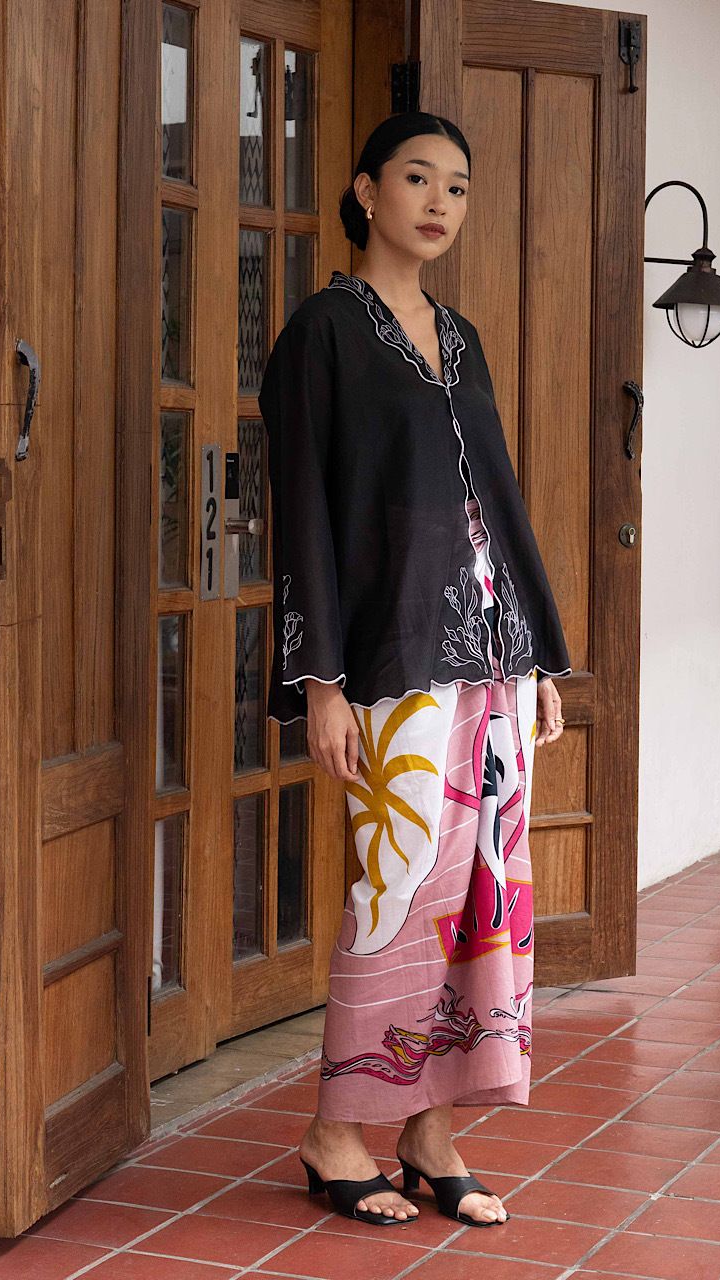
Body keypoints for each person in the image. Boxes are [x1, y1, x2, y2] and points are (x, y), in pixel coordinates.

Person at [258, 111, 570, 1230]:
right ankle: (337, 1128)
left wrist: (536, 656)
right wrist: (321, 681)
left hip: (490, 661)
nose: (440, 201)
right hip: (390, 659)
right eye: (418, 178)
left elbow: (499, 500)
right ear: (365, 189)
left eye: (458, 186)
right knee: (395, 893)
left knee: (486, 897)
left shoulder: (463, 337)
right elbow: (301, 508)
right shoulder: (323, 333)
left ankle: (431, 1128)